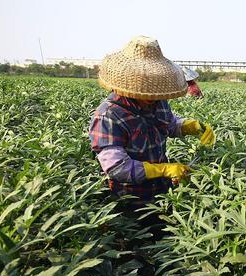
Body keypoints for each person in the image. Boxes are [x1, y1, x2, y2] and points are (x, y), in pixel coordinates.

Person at [88, 36, 215, 235]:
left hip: (162, 193)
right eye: (148, 90)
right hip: (130, 200)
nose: (155, 97)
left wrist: (191, 126)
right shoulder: (108, 116)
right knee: (139, 245)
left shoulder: (157, 101)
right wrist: (163, 169)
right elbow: (116, 168)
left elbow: (169, 124)